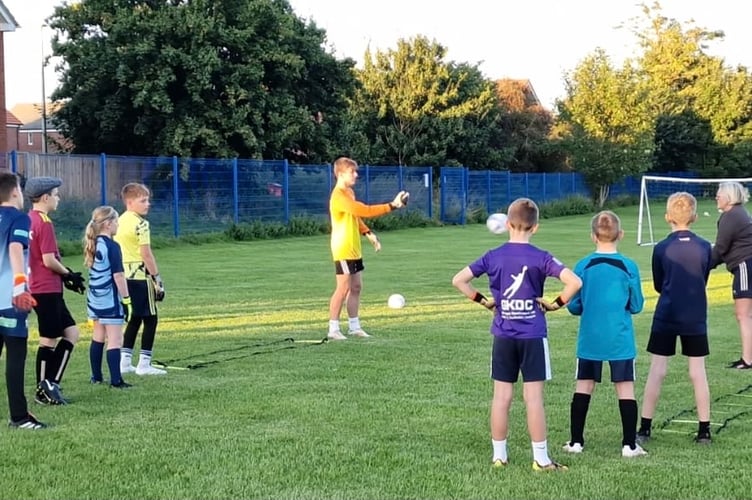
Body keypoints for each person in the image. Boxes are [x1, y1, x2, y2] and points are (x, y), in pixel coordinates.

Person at [452, 197, 582, 471]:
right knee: (533, 398)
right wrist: (555, 304)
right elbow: (575, 282)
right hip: (532, 336)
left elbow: (459, 280)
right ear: (536, 227)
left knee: (502, 397)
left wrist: (482, 300)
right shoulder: (541, 257)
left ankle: (499, 456)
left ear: (508, 224)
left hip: (503, 335)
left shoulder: (493, 255)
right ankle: (541, 460)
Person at [557, 211, 647, 458]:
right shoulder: (629, 266)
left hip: (590, 339)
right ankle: (629, 445)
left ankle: (576, 442)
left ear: (593, 237)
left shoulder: (583, 266)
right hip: (620, 339)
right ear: (621, 235)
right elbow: (637, 305)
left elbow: (574, 306)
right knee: (625, 388)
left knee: (583, 386)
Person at [637, 192, 713, 444]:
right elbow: (703, 279)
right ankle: (704, 430)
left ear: (667, 216)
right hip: (694, 315)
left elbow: (659, 284)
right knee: (697, 371)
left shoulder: (661, 248)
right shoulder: (704, 247)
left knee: (657, 370)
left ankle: (644, 428)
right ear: (693, 216)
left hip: (667, 313)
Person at [327, 156, 408, 340]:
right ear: (340, 174)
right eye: (352, 172)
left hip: (354, 248)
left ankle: (354, 327)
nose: (356, 175)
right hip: (343, 248)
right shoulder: (339, 196)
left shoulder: (349, 193)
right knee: (343, 288)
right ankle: (333, 329)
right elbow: (363, 210)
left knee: (356, 287)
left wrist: (368, 233)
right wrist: (392, 206)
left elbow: (356, 217)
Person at [26, 176, 86, 406]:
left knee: (71, 333)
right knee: (48, 339)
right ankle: (43, 389)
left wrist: (65, 274)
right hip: (46, 289)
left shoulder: (28, 220)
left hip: (42, 288)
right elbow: (48, 260)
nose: (58, 198)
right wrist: (67, 274)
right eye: (56, 194)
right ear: (45, 197)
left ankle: (51, 383)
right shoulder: (44, 222)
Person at [0, 172, 46, 429]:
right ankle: (19, 417)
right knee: (15, 357)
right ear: (15, 192)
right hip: (10, 299)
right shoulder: (19, 218)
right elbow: (15, 248)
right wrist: (19, 286)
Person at [114, 183, 166, 375]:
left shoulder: (119, 221)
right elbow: (146, 254)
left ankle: (125, 361)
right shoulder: (141, 224)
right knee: (151, 318)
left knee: (135, 317)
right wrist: (157, 279)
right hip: (140, 277)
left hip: (124, 277)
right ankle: (145, 363)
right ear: (129, 202)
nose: (148, 204)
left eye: (148, 200)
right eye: (143, 200)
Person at [84, 206, 133, 388]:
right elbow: (118, 276)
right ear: (108, 224)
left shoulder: (93, 243)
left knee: (98, 336)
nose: (118, 225)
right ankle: (116, 380)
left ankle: (96, 377)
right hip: (109, 299)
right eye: (116, 221)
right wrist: (126, 300)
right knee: (115, 339)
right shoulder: (112, 246)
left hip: (94, 299)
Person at [710, 181, 752, 369]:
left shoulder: (731, 216)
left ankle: (748, 360)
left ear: (729, 196)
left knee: (743, 315)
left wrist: (702, 265)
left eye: (719, 193)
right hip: (746, 265)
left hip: (745, 266)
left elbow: (720, 248)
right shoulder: (738, 214)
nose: (716, 197)